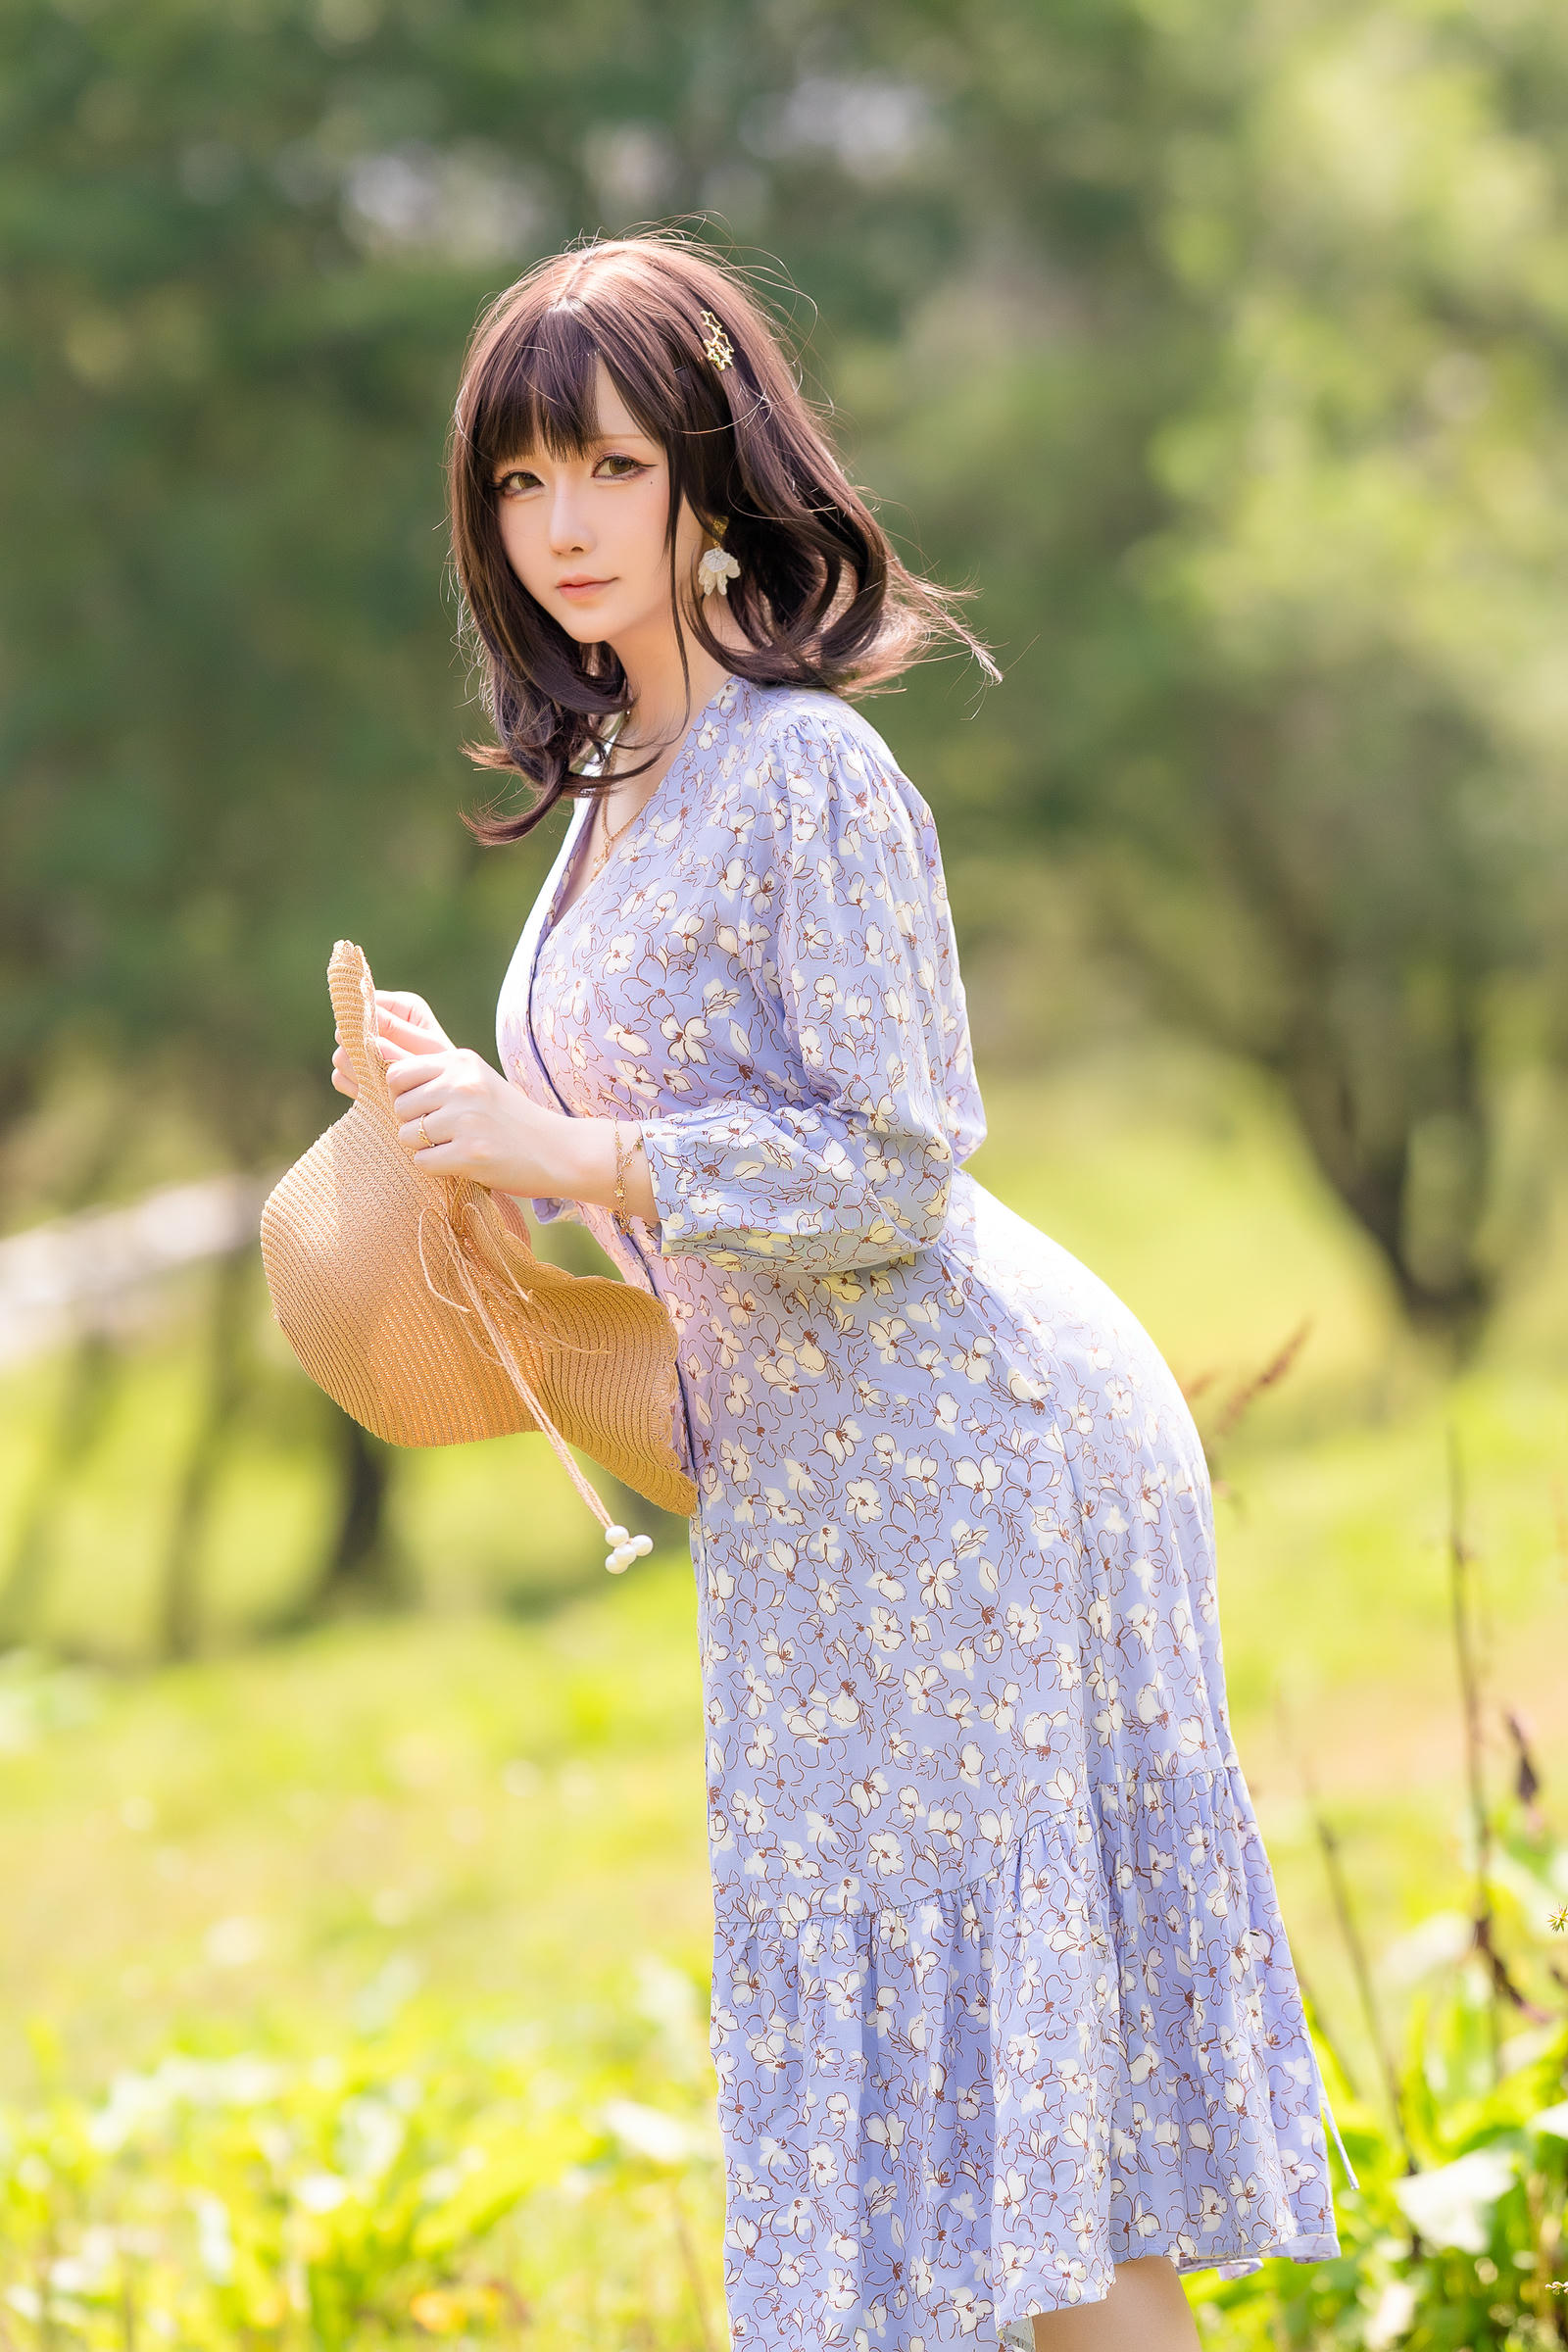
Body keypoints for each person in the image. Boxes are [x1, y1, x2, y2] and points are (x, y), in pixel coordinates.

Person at [331, 234, 1339, 2350]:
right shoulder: (611, 786)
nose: (562, 524)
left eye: (609, 466)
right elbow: (644, 1156)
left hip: (971, 1459)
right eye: (519, 482)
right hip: (810, 1493)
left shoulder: (803, 770)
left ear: (710, 471)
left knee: (1035, 2142)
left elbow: (893, 1154)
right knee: (959, 2140)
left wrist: (573, 1155)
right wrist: (452, 1118)